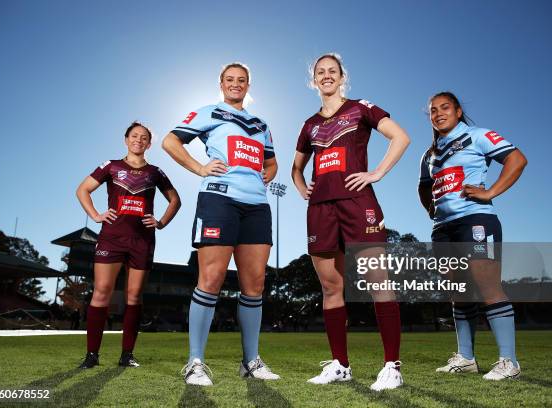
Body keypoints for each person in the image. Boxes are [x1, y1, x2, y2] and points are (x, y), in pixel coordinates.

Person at [291, 53, 410, 391]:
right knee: (331, 287)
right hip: (321, 209)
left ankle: (392, 366)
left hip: (359, 203)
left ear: (342, 77)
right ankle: (340, 365)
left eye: (332, 71)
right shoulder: (309, 124)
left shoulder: (361, 108)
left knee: (378, 281)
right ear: (314, 81)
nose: (326, 76)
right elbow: (296, 169)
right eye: (320, 72)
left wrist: (377, 173)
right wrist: (302, 189)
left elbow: (400, 137)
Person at [162, 62, 280, 386]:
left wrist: (271, 170)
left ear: (248, 85)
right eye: (230, 80)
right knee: (211, 277)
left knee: (254, 284)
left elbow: (271, 160)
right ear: (221, 83)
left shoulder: (261, 123)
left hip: (257, 205)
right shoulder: (208, 112)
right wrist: (200, 168)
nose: (235, 84)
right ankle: (195, 362)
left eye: (241, 80)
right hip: (219, 198)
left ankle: (251, 362)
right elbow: (170, 142)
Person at [418, 91, 527, 380]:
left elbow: (517, 160)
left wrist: (490, 191)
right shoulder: (429, 155)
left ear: (457, 111)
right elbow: (423, 187)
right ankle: (466, 357)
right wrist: (431, 207)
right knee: (459, 292)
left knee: (487, 284)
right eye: (432, 110)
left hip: (476, 220)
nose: (439, 113)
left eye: (445, 107)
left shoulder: (477, 135)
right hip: (443, 229)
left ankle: (509, 362)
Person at [76, 122, 181, 368]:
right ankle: (92, 356)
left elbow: (175, 199)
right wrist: (95, 215)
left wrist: (162, 222)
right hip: (111, 237)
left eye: (144, 138)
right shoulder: (110, 166)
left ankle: (127, 356)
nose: (138, 140)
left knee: (134, 296)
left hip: (142, 240)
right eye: (134, 136)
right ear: (126, 139)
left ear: (149, 144)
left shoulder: (156, 171)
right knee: (101, 291)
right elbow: (83, 190)